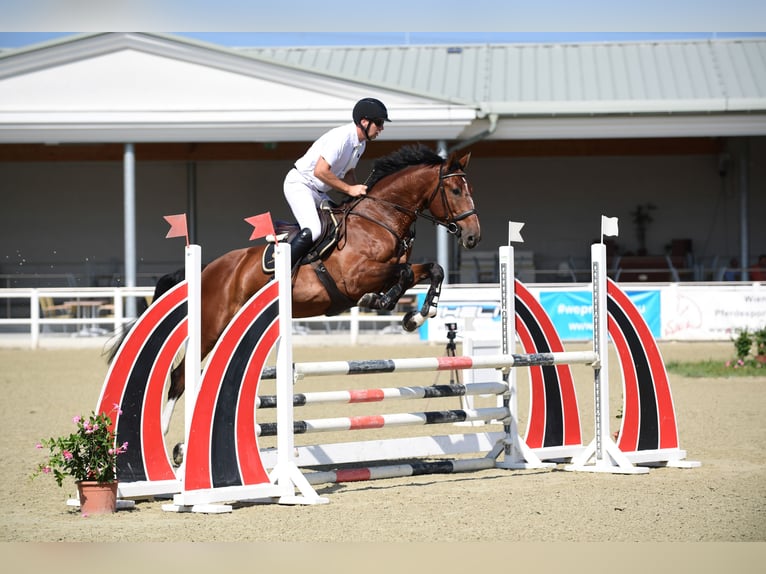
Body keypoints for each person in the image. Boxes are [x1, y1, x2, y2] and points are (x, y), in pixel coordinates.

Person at [282, 97, 390, 267]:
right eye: (379, 123)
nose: (381, 128)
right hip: (300, 185)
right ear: (364, 122)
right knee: (315, 230)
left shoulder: (360, 144)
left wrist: (359, 197)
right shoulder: (341, 137)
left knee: (344, 223)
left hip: (318, 192)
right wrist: (349, 190)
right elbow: (320, 171)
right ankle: (280, 273)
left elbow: (348, 173)